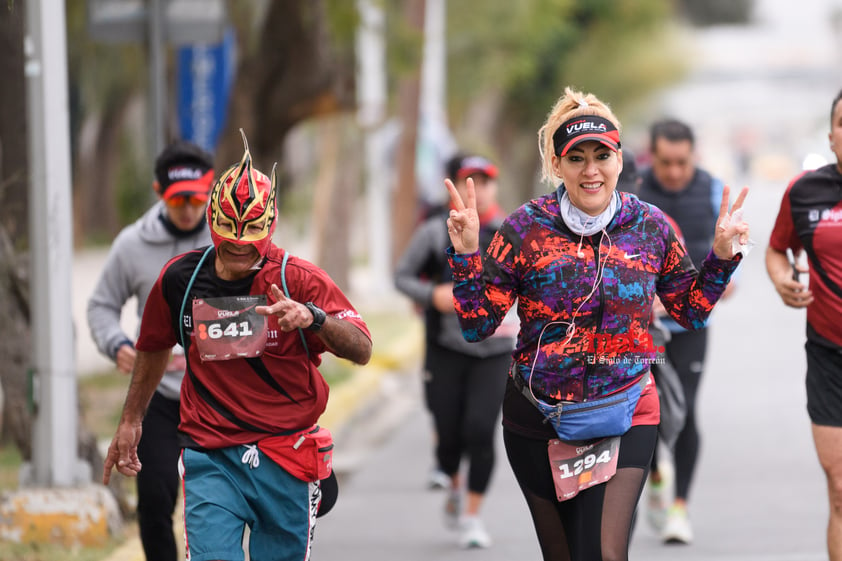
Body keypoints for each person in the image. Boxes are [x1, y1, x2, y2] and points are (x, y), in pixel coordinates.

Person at [443, 86, 749, 560]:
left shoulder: (651, 226)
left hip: (626, 410)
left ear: (621, 159)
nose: (591, 170)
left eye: (602, 155)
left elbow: (689, 309)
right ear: (556, 165)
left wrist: (722, 259)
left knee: (605, 554)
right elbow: (478, 325)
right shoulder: (524, 229)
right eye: (576, 158)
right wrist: (466, 257)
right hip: (538, 418)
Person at [102, 131, 372, 561]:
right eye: (229, 238)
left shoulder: (297, 279)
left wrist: (313, 318)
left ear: (272, 223)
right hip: (211, 455)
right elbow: (153, 346)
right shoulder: (180, 279)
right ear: (212, 220)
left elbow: (361, 348)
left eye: (251, 241)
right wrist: (131, 419)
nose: (239, 249)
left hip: (286, 455)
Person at [87, 140, 215, 561]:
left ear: (210, 193)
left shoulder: (226, 242)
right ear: (160, 192)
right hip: (158, 397)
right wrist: (118, 344)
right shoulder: (132, 244)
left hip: (218, 395)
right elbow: (101, 306)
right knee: (156, 503)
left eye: (197, 200)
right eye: (178, 200)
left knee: (221, 504)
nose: (188, 210)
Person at [394, 153, 515, 548]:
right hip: (444, 346)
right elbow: (401, 277)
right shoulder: (433, 232)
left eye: (485, 180)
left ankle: (472, 516)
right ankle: (451, 476)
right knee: (448, 434)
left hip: (495, 349)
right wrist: (434, 295)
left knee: (481, 430)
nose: (477, 188)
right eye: (469, 180)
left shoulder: (510, 233)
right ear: (454, 186)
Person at [635, 118, 736, 544]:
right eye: (666, 162)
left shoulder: (713, 190)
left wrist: (724, 280)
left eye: (682, 161)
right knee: (652, 410)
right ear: (652, 156)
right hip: (647, 328)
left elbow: (730, 256)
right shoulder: (635, 195)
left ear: (693, 155)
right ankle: (657, 472)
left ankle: (680, 508)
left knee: (688, 409)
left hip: (694, 322)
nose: (674, 171)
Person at [766, 89, 842, 561]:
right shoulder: (804, 191)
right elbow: (778, 249)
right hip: (829, 355)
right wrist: (781, 281)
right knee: (839, 490)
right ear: (833, 135)